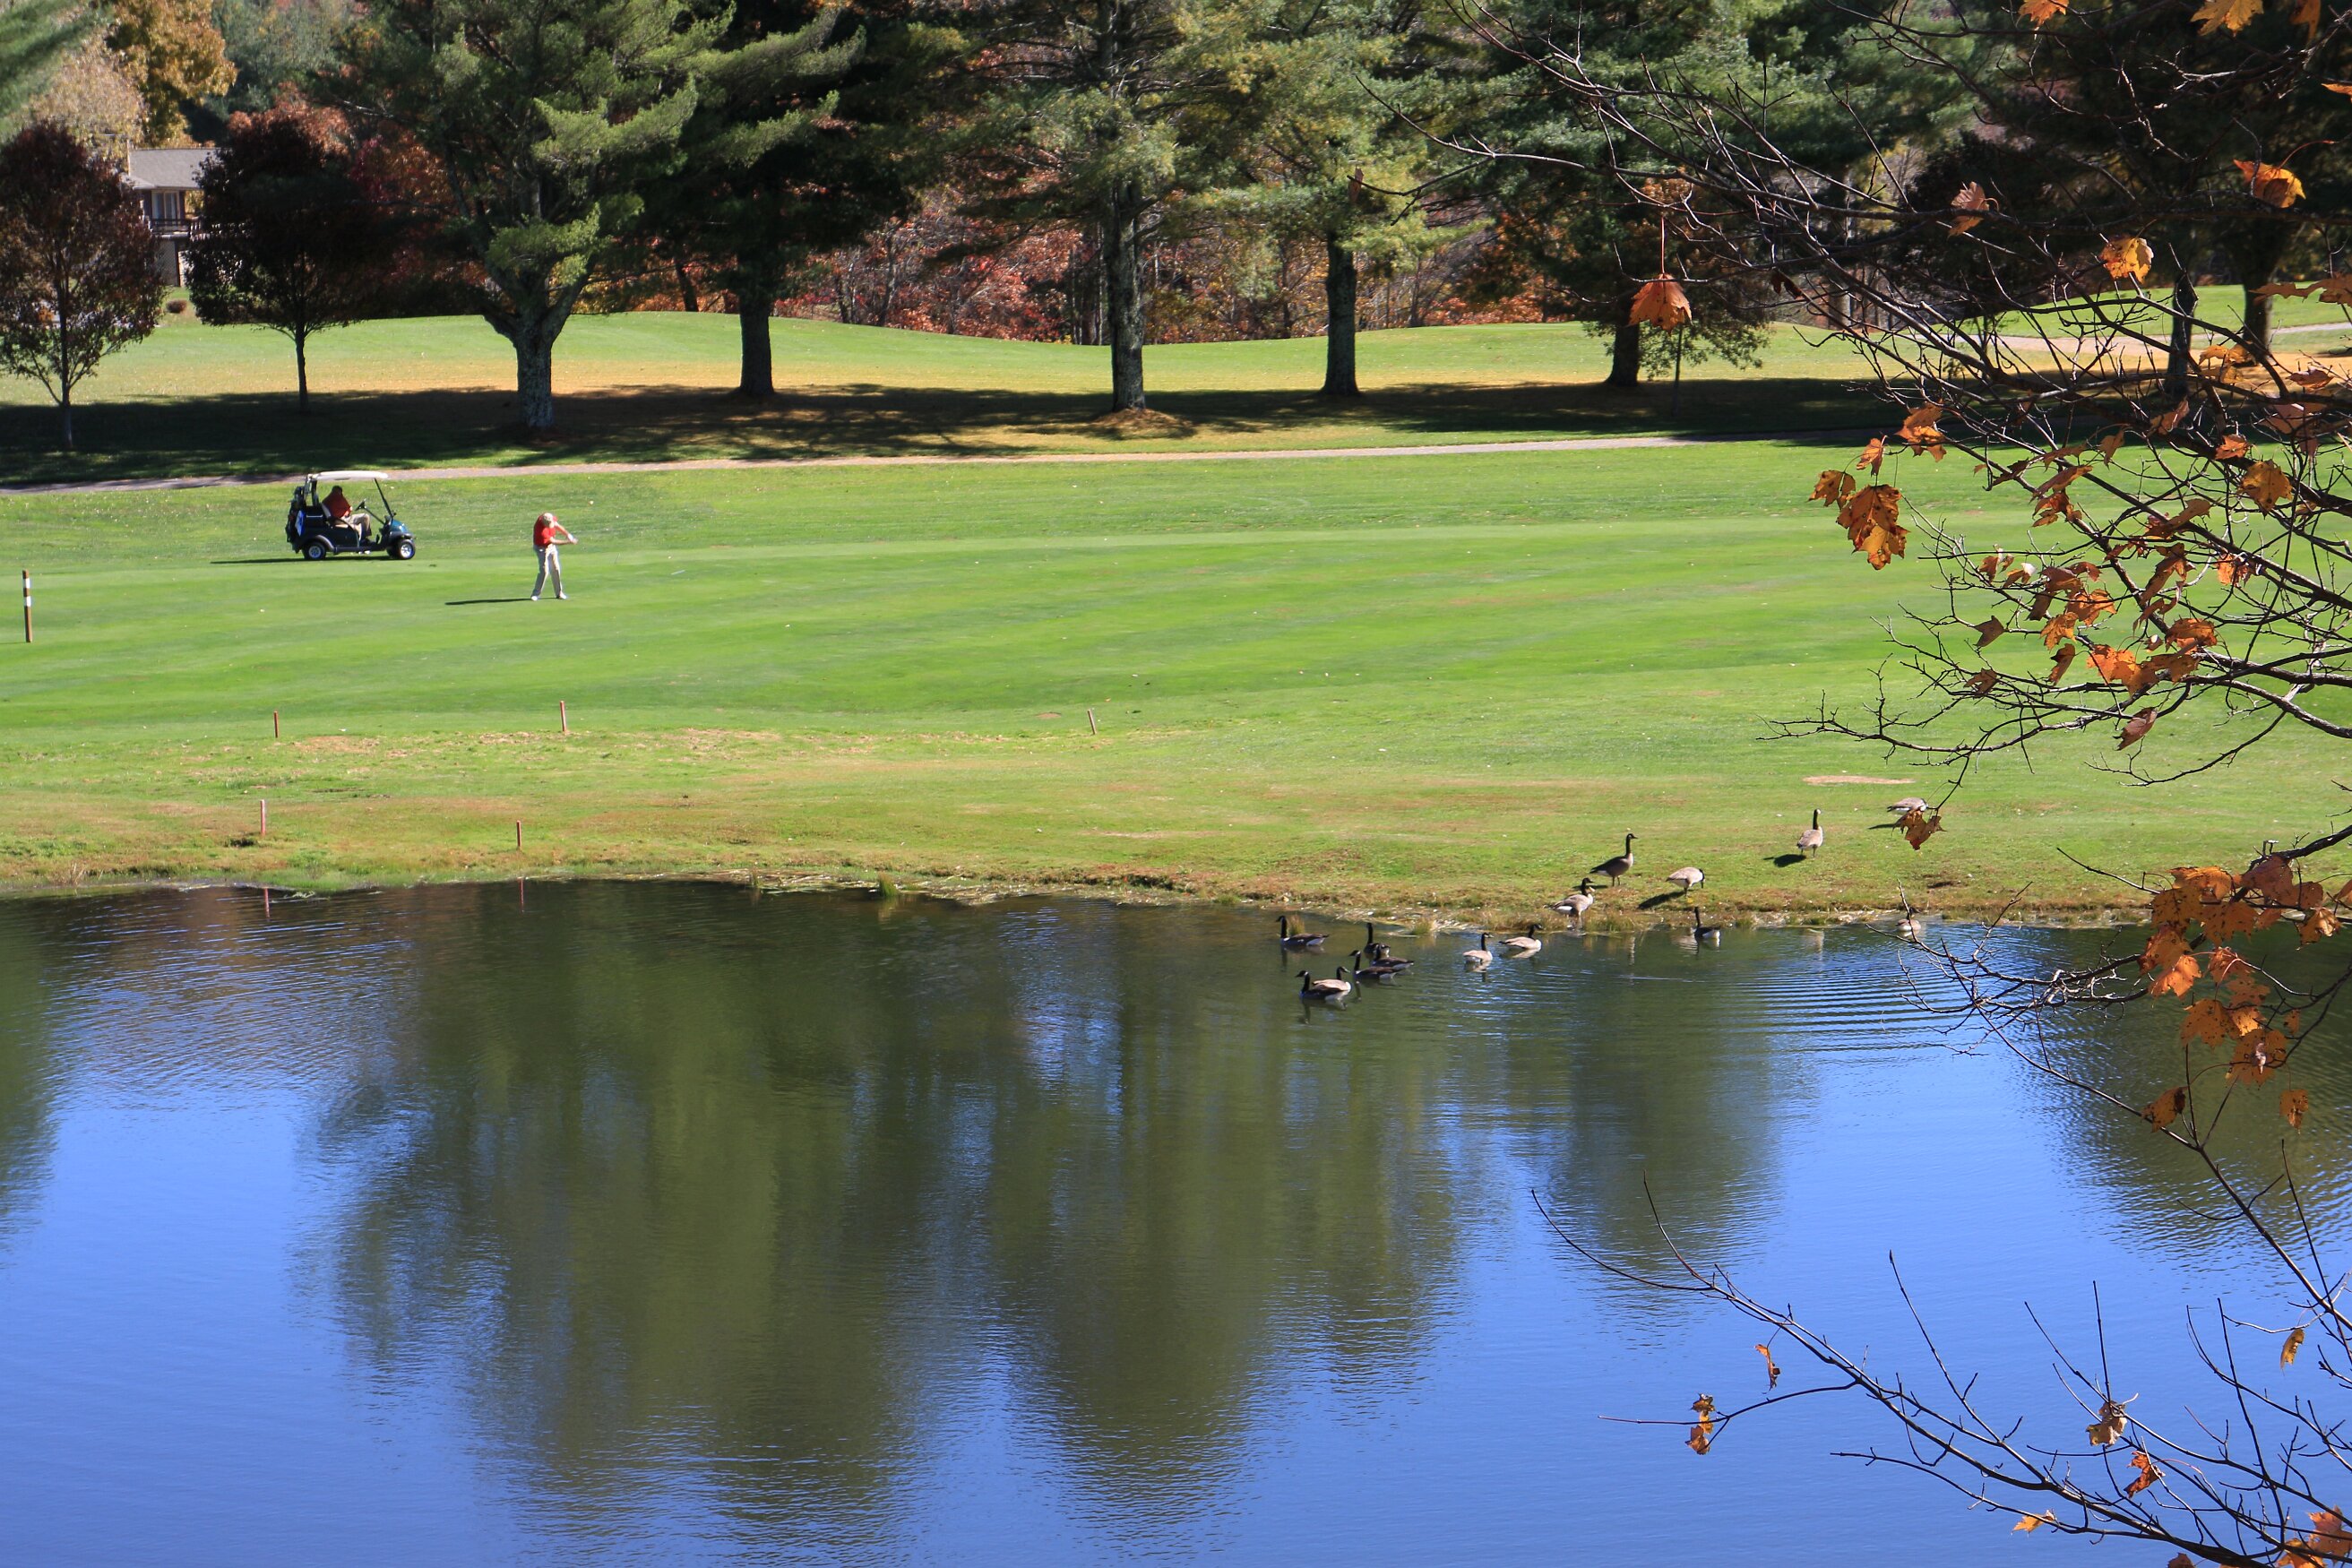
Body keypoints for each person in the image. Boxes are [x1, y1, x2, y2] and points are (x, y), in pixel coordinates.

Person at [530, 512, 577, 600]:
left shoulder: (549, 517)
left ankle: (559, 593)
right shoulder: (541, 531)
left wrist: (568, 534)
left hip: (551, 547)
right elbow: (554, 541)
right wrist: (569, 542)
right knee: (544, 571)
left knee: (556, 569)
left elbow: (557, 525)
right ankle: (535, 594)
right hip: (542, 549)